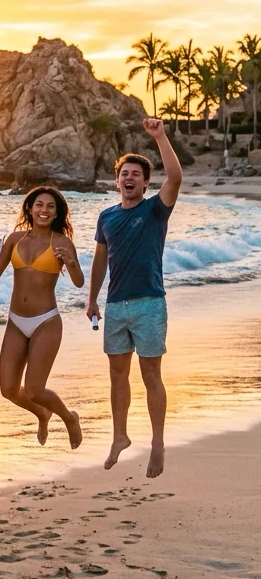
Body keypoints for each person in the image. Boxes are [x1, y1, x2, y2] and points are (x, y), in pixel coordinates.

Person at [87, 118, 182, 479]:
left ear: (145, 182)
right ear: (117, 181)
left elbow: (175, 177)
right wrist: (92, 298)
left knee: (151, 374)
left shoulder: (156, 209)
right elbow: (100, 260)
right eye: (123, 173)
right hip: (115, 306)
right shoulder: (106, 216)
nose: (129, 178)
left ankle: (157, 442)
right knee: (116, 375)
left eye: (135, 174)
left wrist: (159, 137)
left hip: (149, 303)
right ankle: (120, 436)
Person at [0, 187, 84, 450]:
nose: (44, 210)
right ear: (29, 208)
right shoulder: (15, 239)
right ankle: (41, 414)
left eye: (51, 207)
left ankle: (69, 418)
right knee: (8, 390)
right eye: (39, 205)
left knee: (35, 390)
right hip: (16, 322)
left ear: (56, 213)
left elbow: (79, 282)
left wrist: (71, 262)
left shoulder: (61, 242)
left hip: (46, 322)